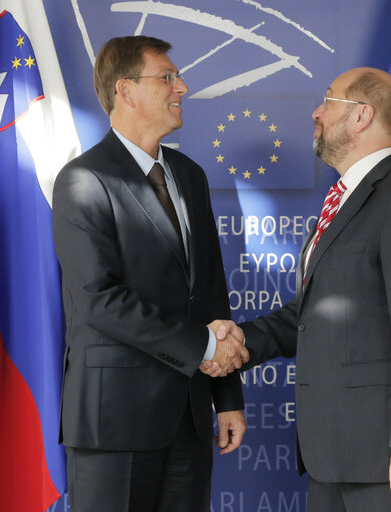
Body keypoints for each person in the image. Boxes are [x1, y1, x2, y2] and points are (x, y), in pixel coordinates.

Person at [205, 67, 391, 512]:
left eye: (328, 100)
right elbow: (312, 316)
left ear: (362, 115)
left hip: (389, 463)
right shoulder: (345, 197)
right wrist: (242, 340)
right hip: (333, 460)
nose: (316, 112)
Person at [52, 36, 248, 512]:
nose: (182, 86)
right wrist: (203, 346)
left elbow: (210, 295)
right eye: (167, 76)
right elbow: (100, 299)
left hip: (190, 419)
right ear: (126, 90)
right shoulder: (83, 180)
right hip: (114, 423)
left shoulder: (190, 175)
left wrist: (226, 396)